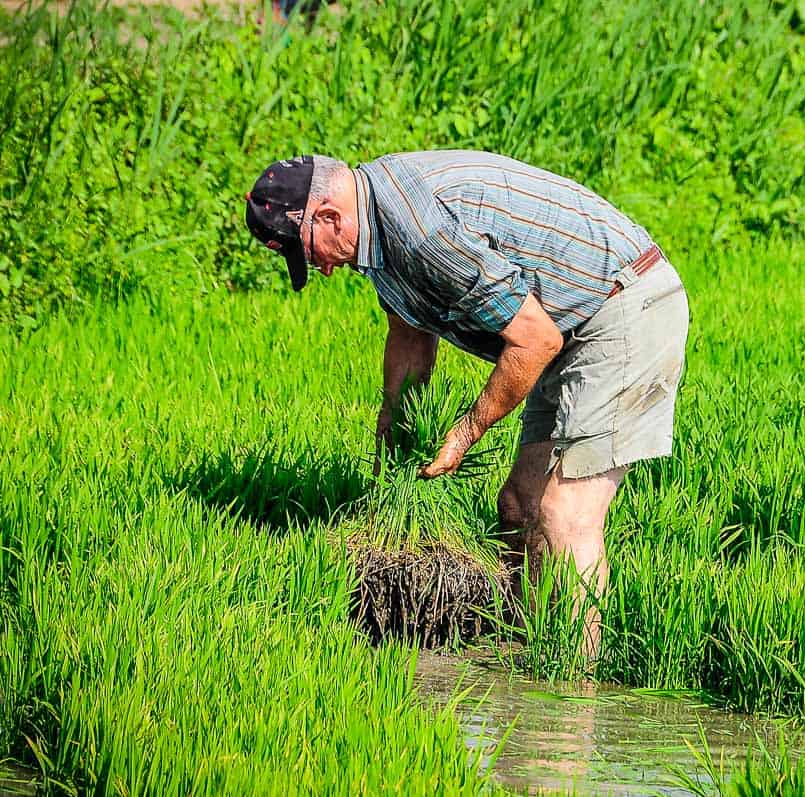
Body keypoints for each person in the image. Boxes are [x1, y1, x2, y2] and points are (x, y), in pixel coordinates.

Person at [244, 151, 689, 657]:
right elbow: (409, 337)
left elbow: (535, 340)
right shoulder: (374, 234)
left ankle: (574, 686)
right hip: (567, 324)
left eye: (311, 252)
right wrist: (393, 442)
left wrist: (465, 432)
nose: (322, 270)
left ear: (329, 215)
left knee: (565, 514)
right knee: (519, 508)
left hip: (621, 307)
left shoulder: (422, 233)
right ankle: (528, 652)